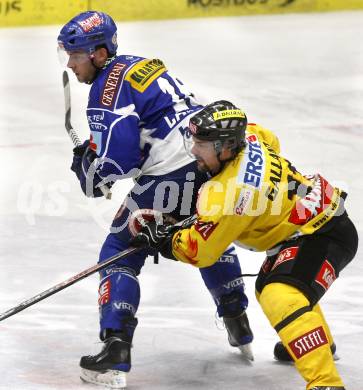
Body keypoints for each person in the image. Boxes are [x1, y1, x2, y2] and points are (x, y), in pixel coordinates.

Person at [57, 11, 254, 389]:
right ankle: (237, 321)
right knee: (204, 234)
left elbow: (120, 162)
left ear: (98, 54)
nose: (70, 63)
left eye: (76, 55)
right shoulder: (140, 65)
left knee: (119, 248)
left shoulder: (104, 94)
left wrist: (89, 172)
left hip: (170, 175)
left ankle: (115, 348)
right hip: (207, 164)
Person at [132, 100, 358, 390]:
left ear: (225, 148)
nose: (193, 151)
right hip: (319, 219)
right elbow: (270, 140)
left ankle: (326, 383)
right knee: (271, 284)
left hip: (323, 234)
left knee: (282, 294)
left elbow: (201, 251)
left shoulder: (227, 195)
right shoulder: (249, 136)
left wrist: (164, 241)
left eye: (202, 144)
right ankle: (318, 343)